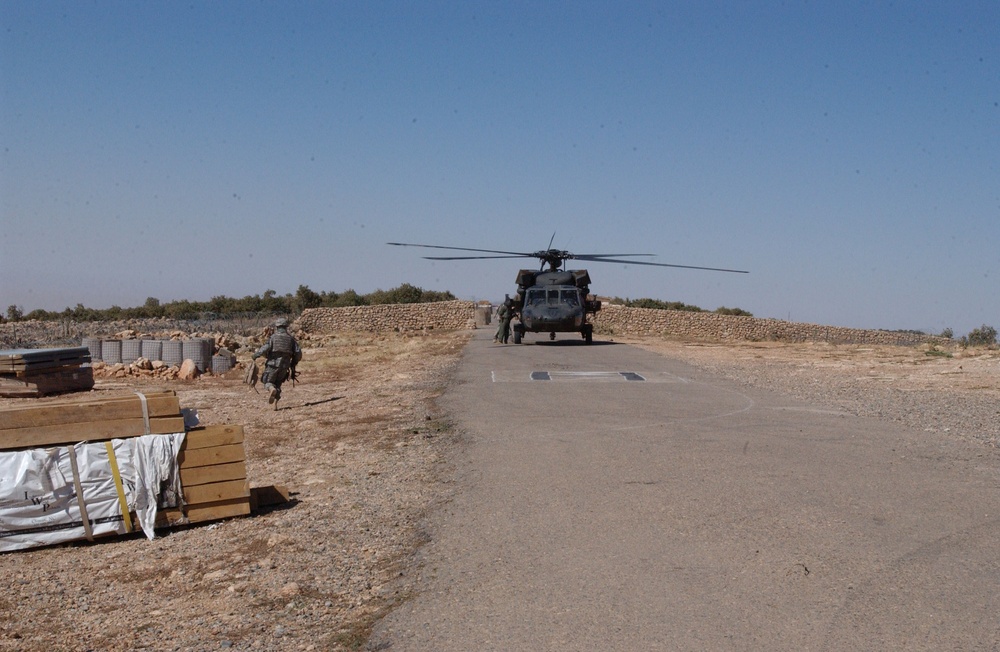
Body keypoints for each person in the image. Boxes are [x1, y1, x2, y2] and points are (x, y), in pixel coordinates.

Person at [252, 317, 302, 406]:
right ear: (286, 327)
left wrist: (256, 355)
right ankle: (276, 402)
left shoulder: (273, 337)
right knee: (278, 383)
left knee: (267, 382)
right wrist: (293, 362)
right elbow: (298, 353)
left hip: (272, 365)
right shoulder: (291, 339)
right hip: (284, 366)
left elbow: (265, 348)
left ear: (277, 327)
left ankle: (271, 389)